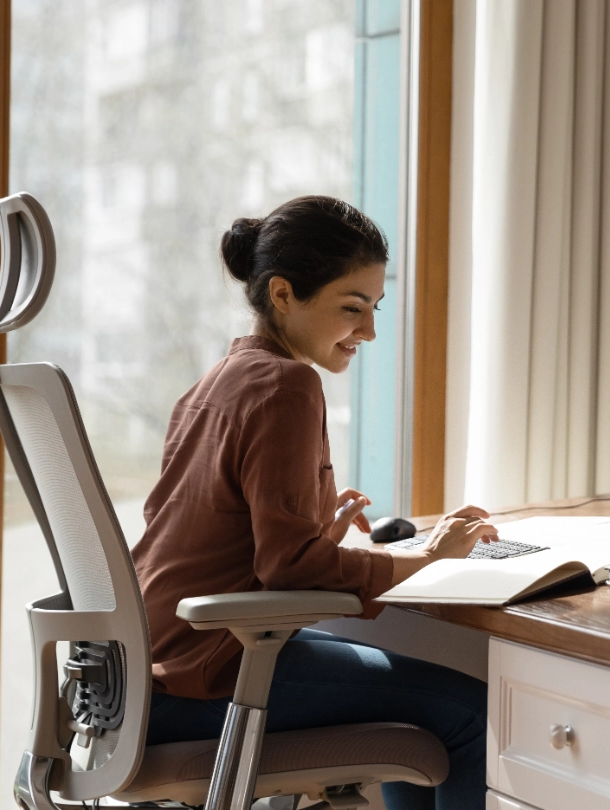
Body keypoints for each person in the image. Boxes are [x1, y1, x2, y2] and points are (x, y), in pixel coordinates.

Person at [131, 195, 497, 810]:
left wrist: (314, 536)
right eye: (352, 308)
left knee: (426, 703)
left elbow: (210, 539)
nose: (371, 331)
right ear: (282, 294)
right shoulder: (287, 384)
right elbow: (290, 570)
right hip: (205, 677)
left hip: (146, 674)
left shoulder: (216, 381)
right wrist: (431, 557)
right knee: (471, 714)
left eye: (375, 308)